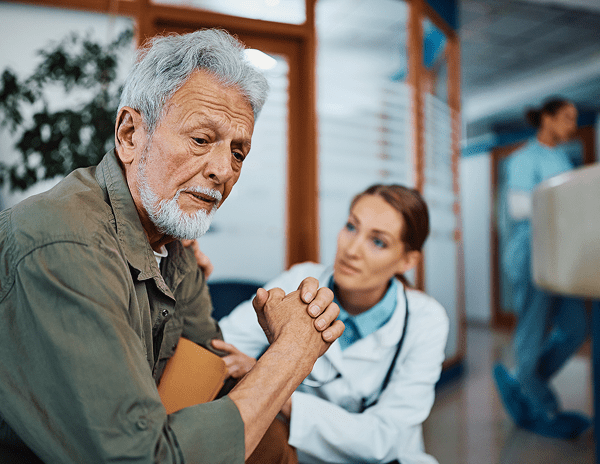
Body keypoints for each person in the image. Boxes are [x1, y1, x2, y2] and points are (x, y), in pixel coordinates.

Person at [0, 29, 345, 463]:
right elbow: (143, 458)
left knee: (273, 444)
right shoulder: (64, 245)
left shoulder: (172, 247)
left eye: (238, 152)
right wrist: (293, 351)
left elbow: (203, 380)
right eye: (201, 139)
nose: (223, 170)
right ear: (129, 135)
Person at [214, 184, 449, 464]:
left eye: (378, 242)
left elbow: (384, 438)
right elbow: (222, 344)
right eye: (351, 226)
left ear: (407, 260)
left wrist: (270, 378)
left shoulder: (426, 321)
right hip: (304, 456)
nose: (351, 250)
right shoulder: (300, 282)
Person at [493, 97, 590, 439]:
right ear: (546, 119)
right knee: (532, 333)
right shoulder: (523, 158)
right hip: (532, 256)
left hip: (562, 259)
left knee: (576, 327)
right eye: (566, 117)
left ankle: (523, 382)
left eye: (574, 118)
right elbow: (519, 207)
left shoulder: (562, 159)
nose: (571, 125)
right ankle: (540, 400)